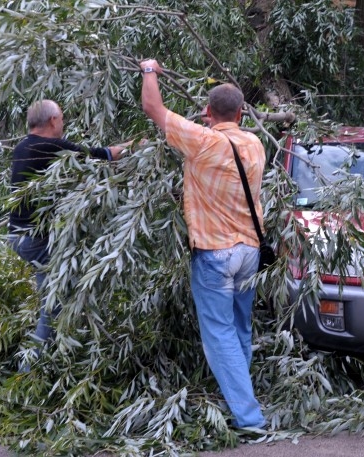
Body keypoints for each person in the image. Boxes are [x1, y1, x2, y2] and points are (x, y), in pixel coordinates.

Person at [139, 59, 267, 430]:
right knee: (241, 327)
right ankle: (244, 398)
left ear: (208, 112)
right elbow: (222, 135)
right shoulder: (256, 143)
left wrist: (150, 70)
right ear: (242, 112)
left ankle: (249, 417)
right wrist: (212, 120)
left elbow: (153, 108)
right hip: (249, 251)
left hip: (215, 253)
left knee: (220, 333)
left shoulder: (203, 141)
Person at [8, 99, 132, 367]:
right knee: (56, 302)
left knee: (54, 294)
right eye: (61, 118)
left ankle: (57, 355)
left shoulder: (24, 146)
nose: (63, 123)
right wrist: (136, 147)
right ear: (53, 120)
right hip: (35, 238)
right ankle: (30, 369)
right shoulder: (50, 146)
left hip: (20, 235)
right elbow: (98, 156)